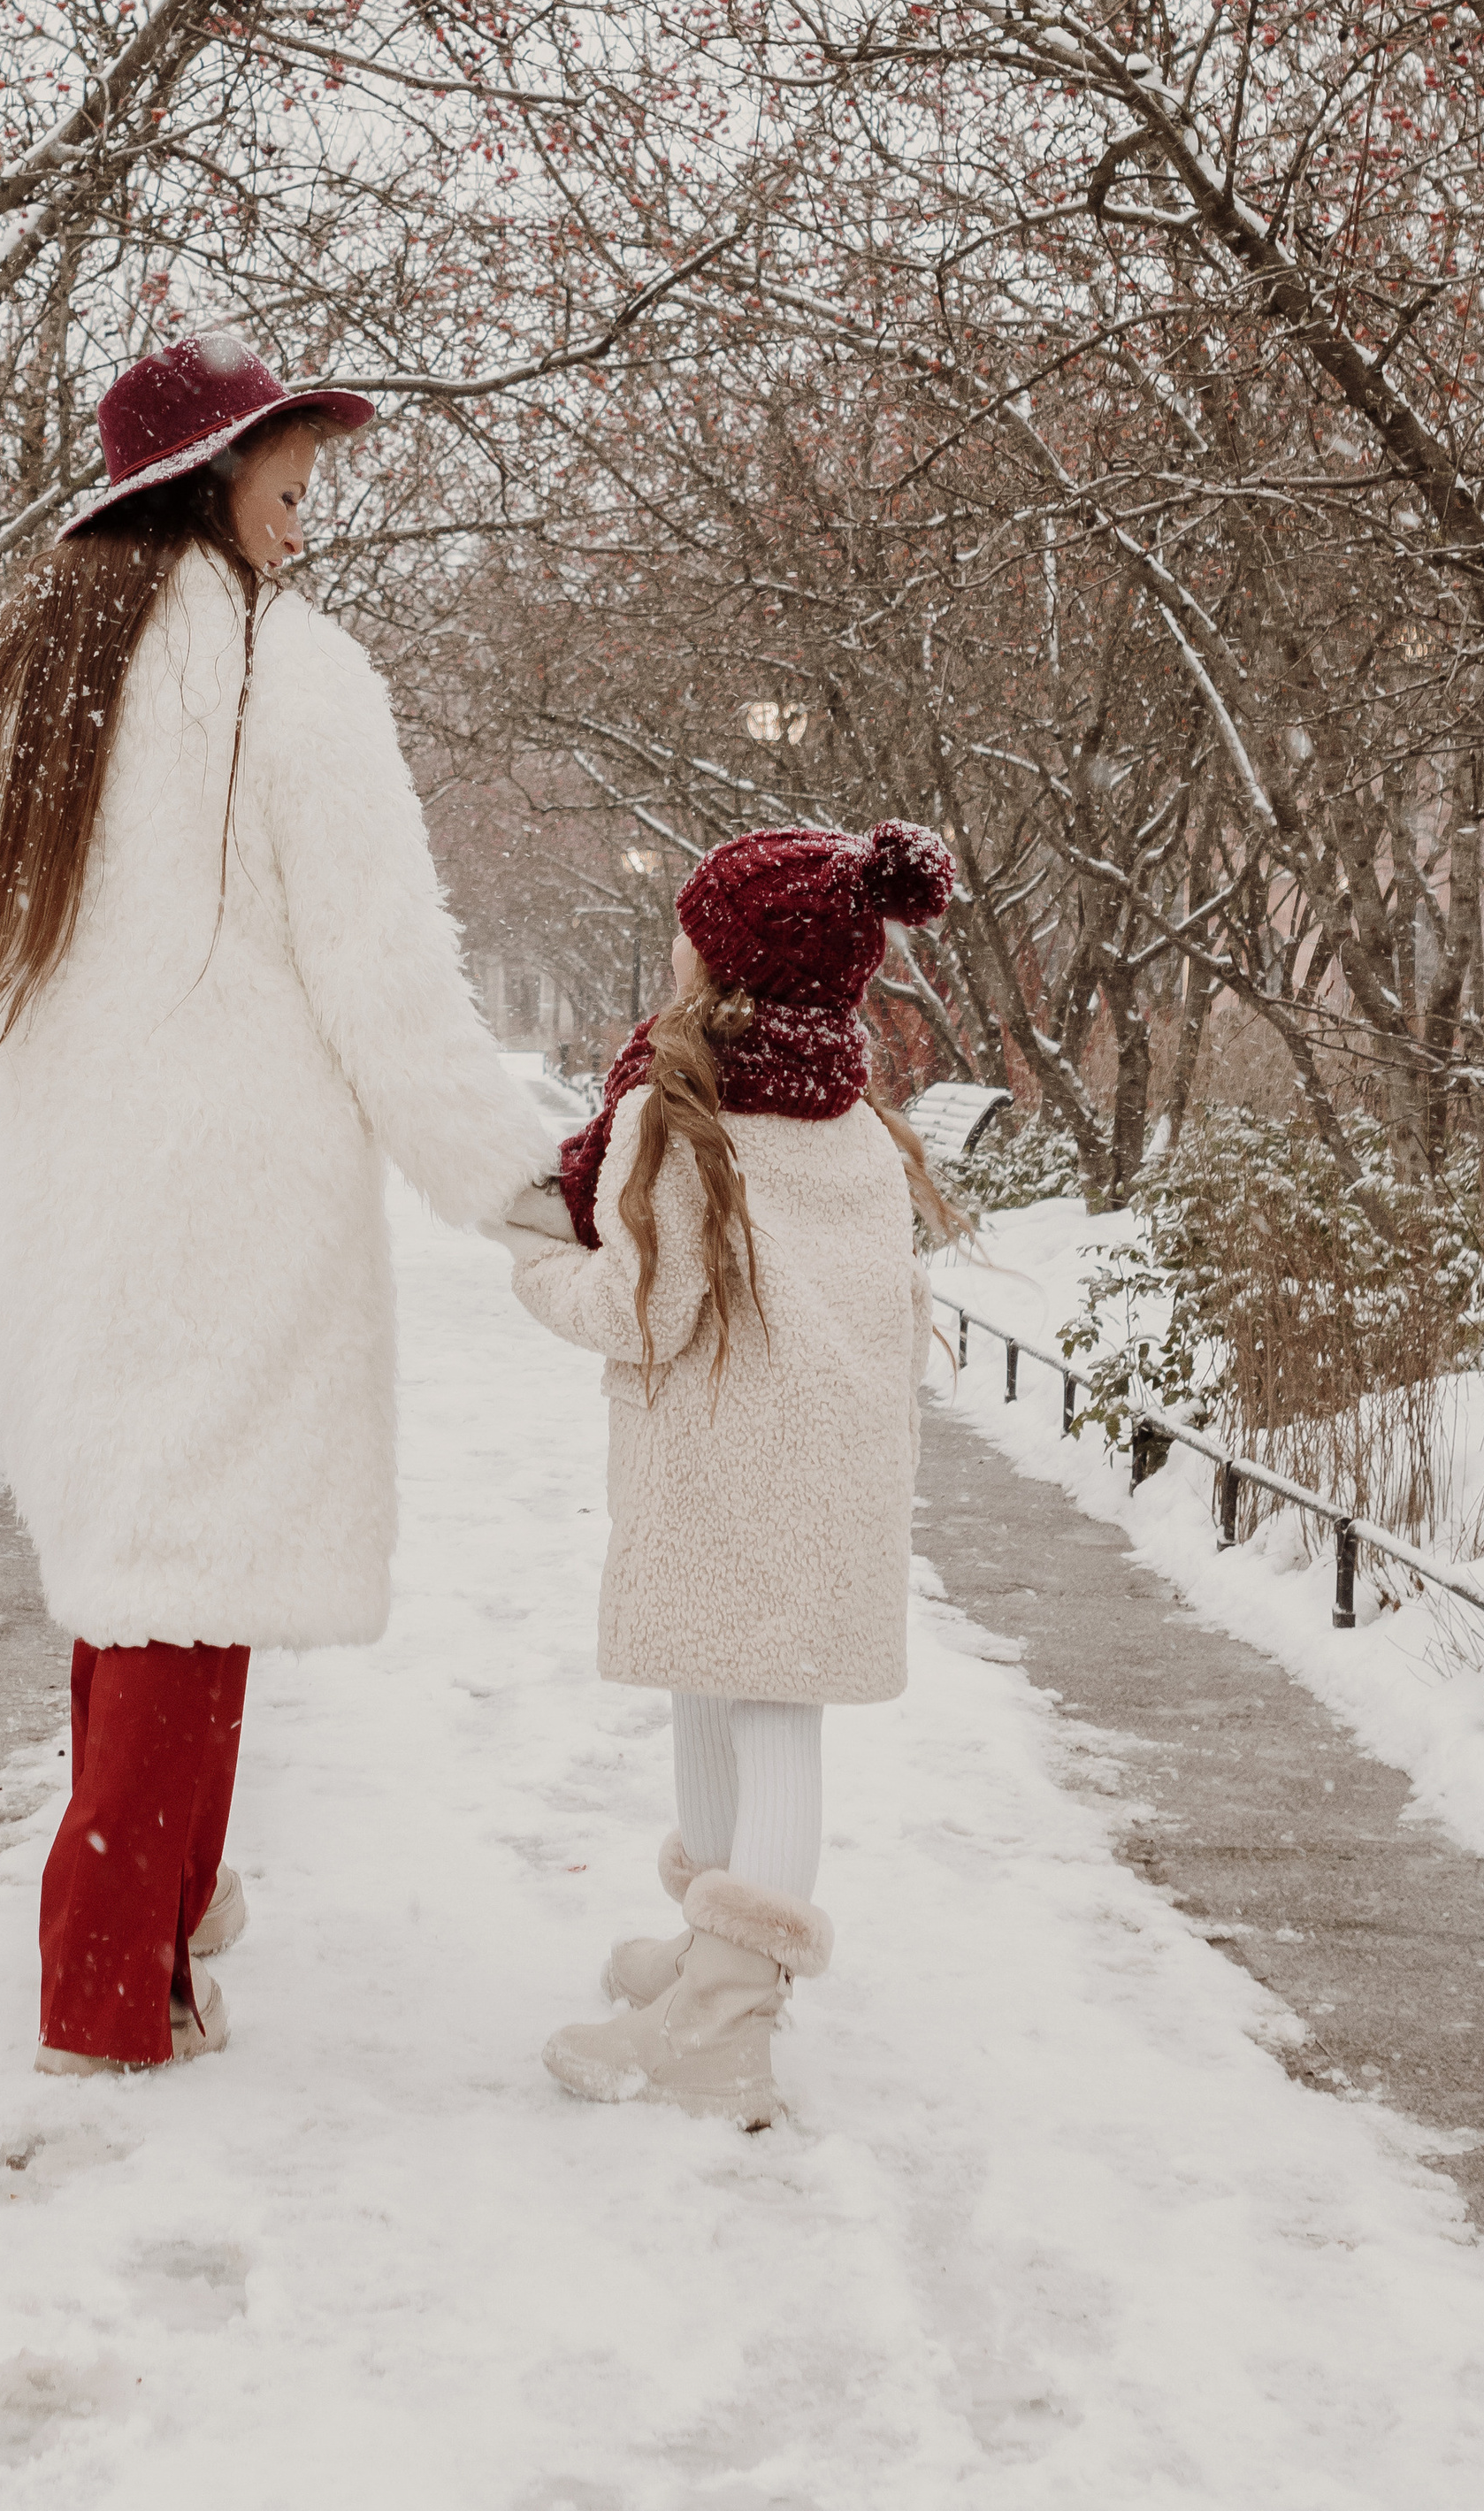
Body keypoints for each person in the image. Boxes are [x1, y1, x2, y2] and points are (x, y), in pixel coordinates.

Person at [0, 326, 553, 2078]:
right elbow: (385, 983)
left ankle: (157, 1941)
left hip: (56, 1200)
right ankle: (103, 1992)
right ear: (213, 477)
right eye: (290, 482)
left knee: (141, 1580)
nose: (301, 521)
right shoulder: (284, 675)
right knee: (191, 1587)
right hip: (233, 1198)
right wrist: (518, 1181)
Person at [497, 820, 958, 2131]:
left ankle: (722, 2029)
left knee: (760, 1718)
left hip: (729, 1466)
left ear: (723, 964)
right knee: (736, 1693)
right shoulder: (855, 1125)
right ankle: (717, 1955)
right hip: (821, 1473)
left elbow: (643, 1312)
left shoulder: (681, 1114)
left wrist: (539, 1265)